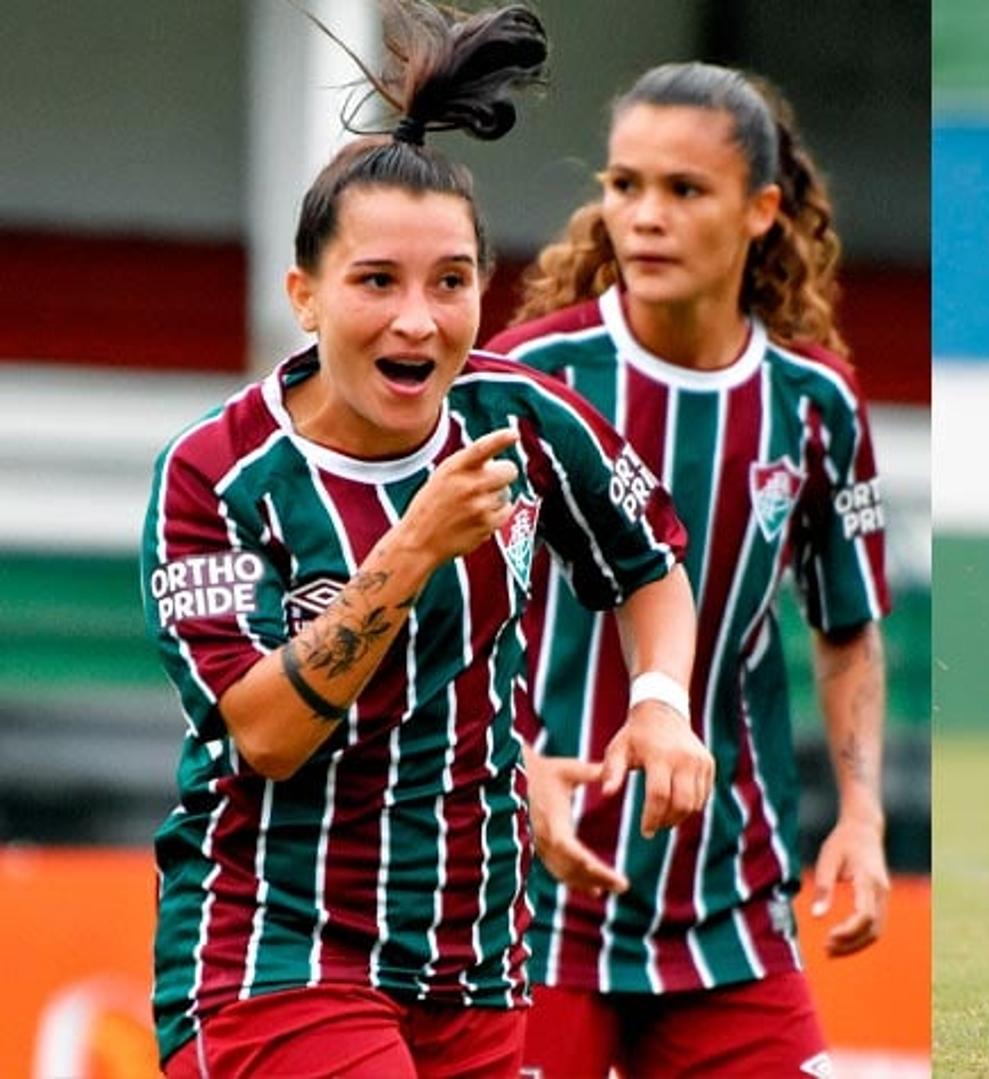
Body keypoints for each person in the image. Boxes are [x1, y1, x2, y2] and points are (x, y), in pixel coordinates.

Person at [139, 5, 715, 1075]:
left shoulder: (526, 419)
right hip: (277, 956)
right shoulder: (218, 475)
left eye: (450, 282)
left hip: (475, 961)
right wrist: (412, 547)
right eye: (377, 282)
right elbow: (264, 734)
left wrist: (661, 705)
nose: (418, 319)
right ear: (304, 294)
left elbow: (651, 565)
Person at [485, 62, 892, 1076]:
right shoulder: (528, 379)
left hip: (727, 904)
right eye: (625, 186)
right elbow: (445, 614)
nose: (646, 216)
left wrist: (862, 814)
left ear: (760, 210)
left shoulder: (815, 405)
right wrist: (509, 762)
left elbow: (845, 629)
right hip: (530, 899)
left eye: (683, 189)